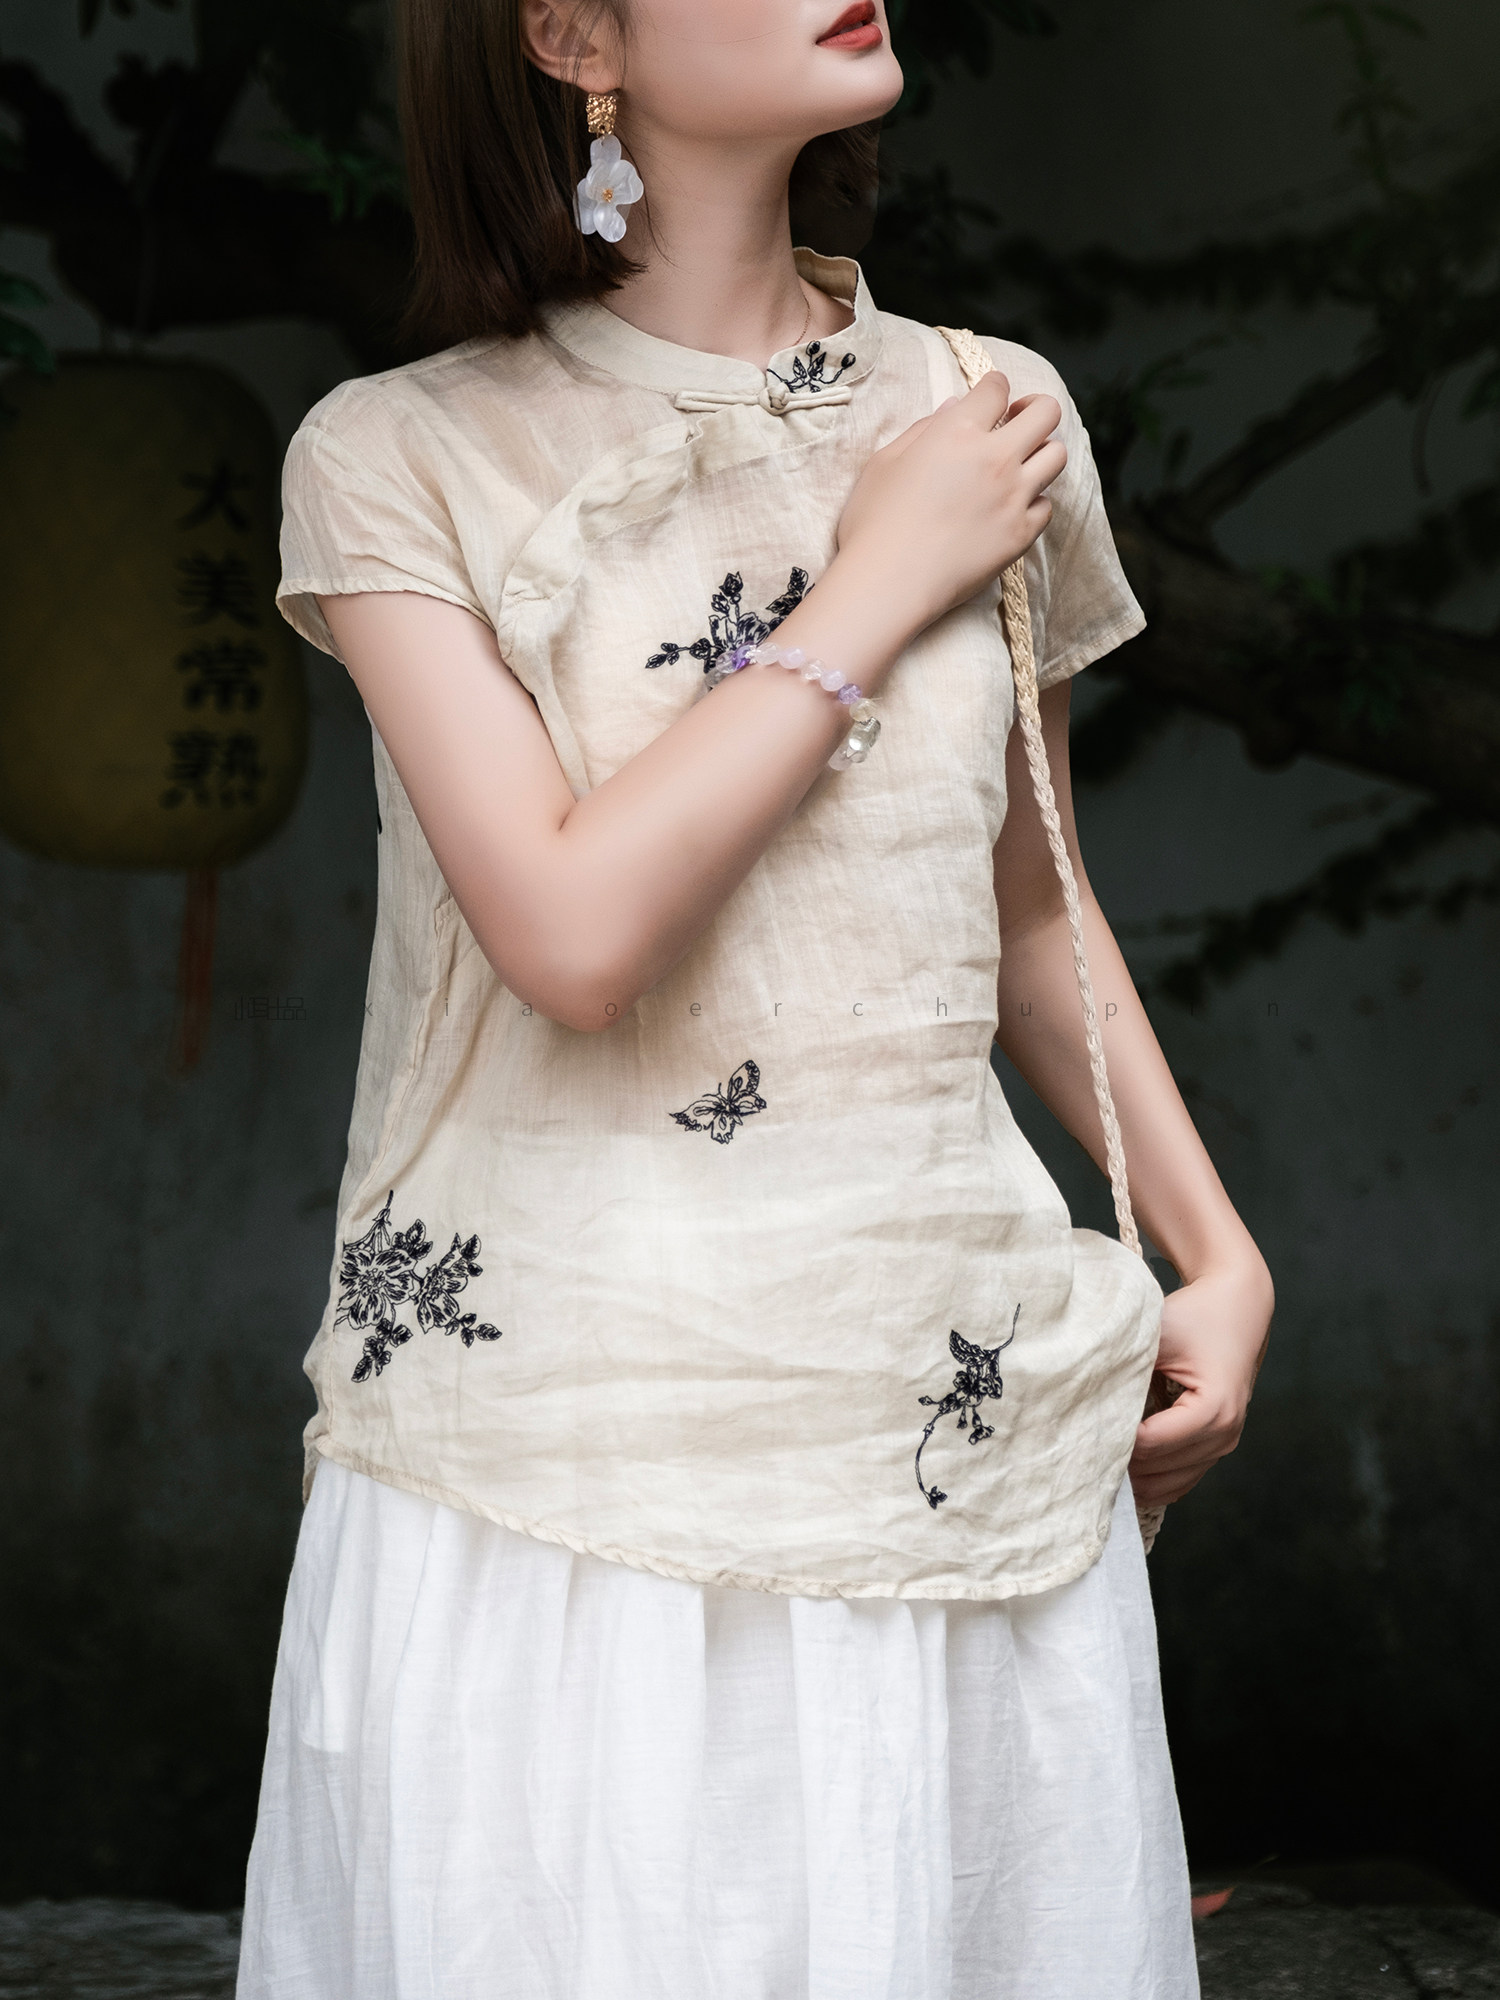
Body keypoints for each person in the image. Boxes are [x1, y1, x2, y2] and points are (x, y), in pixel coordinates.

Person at [235, 1, 1275, 1994]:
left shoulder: (989, 409)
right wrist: (874, 581)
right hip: (557, 1474)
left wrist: (1217, 1252)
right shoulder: (397, 455)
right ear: (571, 31)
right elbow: (569, 934)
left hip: (946, 1423)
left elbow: (1024, 899)